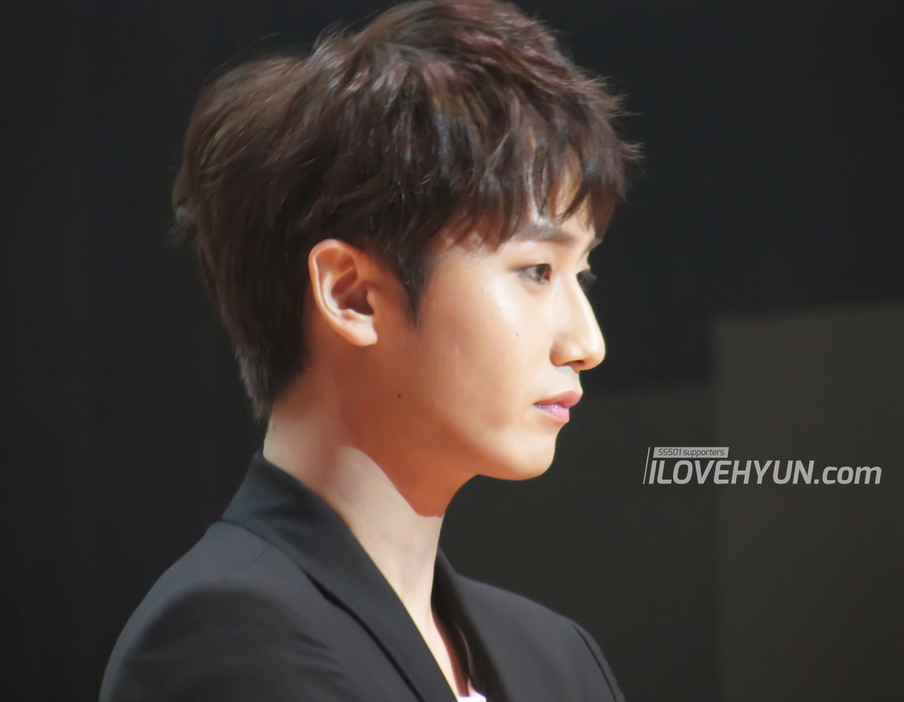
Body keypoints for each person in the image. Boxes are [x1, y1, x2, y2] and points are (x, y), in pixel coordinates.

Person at [99, 0, 640, 700]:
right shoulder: (226, 641)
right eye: (536, 270)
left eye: (581, 273)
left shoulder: (557, 659)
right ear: (351, 294)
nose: (587, 343)